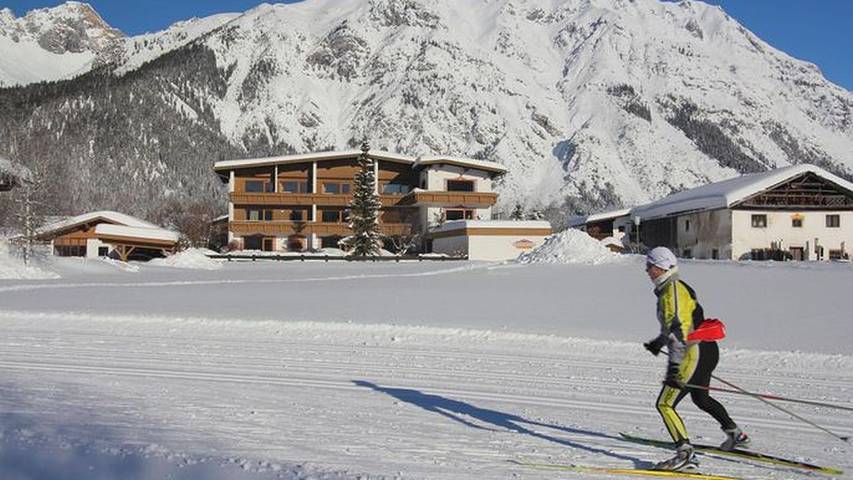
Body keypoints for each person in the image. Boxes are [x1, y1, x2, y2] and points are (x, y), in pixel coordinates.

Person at [643, 247, 749, 471]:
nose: (647, 271)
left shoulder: (671, 290)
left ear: (661, 267)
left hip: (694, 353)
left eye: (649, 266)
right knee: (701, 398)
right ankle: (735, 434)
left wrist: (671, 362)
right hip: (707, 350)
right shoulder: (677, 286)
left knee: (664, 404)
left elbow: (679, 329)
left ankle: (685, 453)